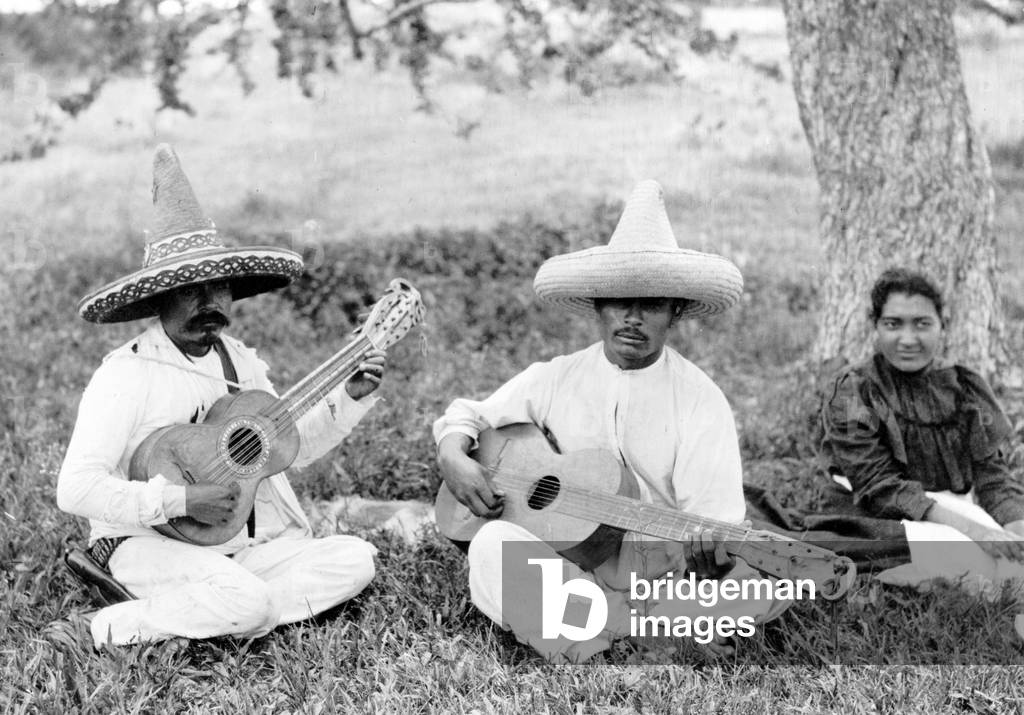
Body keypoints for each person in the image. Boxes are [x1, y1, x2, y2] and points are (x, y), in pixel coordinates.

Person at [434, 180, 793, 662]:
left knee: (752, 591)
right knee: (492, 544)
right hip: (568, 557)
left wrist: (712, 561)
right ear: (598, 308)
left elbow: (715, 527)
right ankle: (621, 632)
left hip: (666, 571)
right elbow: (468, 415)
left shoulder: (700, 400)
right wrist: (452, 453)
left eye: (652, 305)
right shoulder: (556, 376)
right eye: (620, 301)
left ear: (677, 313)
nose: (633, 318)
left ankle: (600, 627)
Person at [57, 145, 386, 649]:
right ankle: (100, 629)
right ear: (159, 298)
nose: (211, 303)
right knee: (250, 599)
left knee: (354, 558)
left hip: (230, 544)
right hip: (139, 542)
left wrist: (350, 397)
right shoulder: (125, 373)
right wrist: (181, 499)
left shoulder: (240, 362)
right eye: (191, 290)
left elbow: (281, 451)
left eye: (220, 288)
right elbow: (75, 488)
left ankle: (217, 611)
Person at [818, 267, 1024, 594]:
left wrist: (1016, 528)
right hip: (875, 513)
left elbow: (992, 477)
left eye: (922, 324)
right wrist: (974, 530)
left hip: (948, 508)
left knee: (1015, 564)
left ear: (943, 325)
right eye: (893, 324)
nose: (908, 339)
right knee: (977, 567)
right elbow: (878, 487)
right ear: (875, 326)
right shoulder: (854, 390)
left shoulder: (965, 387)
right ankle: (897, 581)